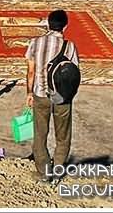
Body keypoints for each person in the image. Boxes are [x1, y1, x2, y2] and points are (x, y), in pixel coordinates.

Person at [24, 10, 79, 183]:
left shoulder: (35, 43)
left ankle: (44, 171)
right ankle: (58, 170)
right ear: (66, 26)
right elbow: (74, 73)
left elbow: (30, 71)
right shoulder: (69, 46)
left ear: (47, 24)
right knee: (63, 136)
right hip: (62, 97)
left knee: (40, 135)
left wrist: (29, 92)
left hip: (41, 95)